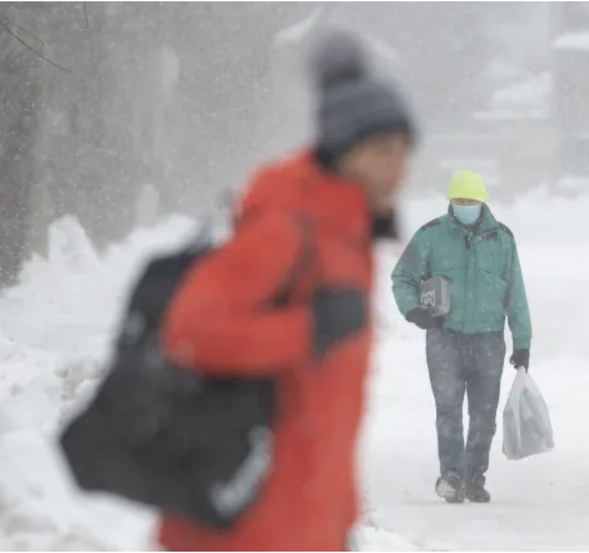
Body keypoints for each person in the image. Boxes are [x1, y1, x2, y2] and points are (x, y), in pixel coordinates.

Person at [157, 30, 417, 550]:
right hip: (242, 527)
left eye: (405, 150)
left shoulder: (347, 239)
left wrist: (339, 522)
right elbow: (190, 331)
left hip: (302, 524)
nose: (399, 167)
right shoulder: (287, 227)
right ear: (345, 151)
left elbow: (325, 411)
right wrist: (310, 329)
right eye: (383, 151)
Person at [390, 170, 532, 504]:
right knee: (448, 411)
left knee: (484, 417)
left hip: (488, 341)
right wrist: (413, 310)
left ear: (482, 202)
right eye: (459, 200)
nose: (464, 206)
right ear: (450, 202)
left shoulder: (502, 239)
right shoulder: (431, 236)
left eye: (470, 200)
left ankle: (475, 478)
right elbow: (403, 276)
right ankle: (452, 476)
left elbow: (516, 293)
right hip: (444, 339)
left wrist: (522, 341)